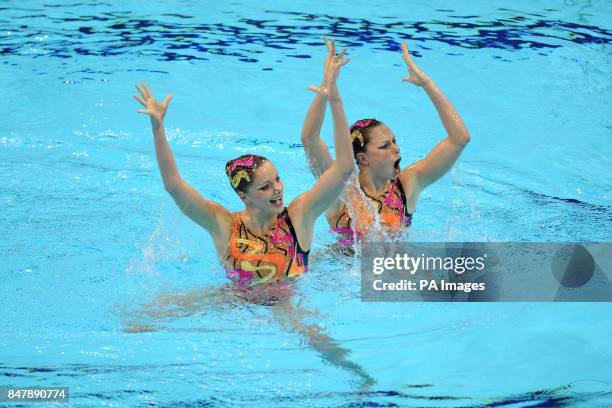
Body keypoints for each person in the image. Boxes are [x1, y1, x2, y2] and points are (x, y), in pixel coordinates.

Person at [132, 45, 352, 296]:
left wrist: (333, 98)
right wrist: (158, 127)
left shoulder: (300, 216)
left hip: (288, 307)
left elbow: (344, 168)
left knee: (316, 336)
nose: (277, 189)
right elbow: (173, 185)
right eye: (265, 186)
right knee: (145, 319)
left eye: (277, 179)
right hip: (233, 303)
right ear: (243, 196)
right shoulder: (223, 224)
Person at [301, 40, 471, 244]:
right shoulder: (341, 191)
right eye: (384, 146)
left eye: (394, 141)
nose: (396, 149)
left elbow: (459, 139)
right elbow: (310, 140)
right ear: (363, 158)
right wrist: (325, 90)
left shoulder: (408, 184)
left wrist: (428, 84)